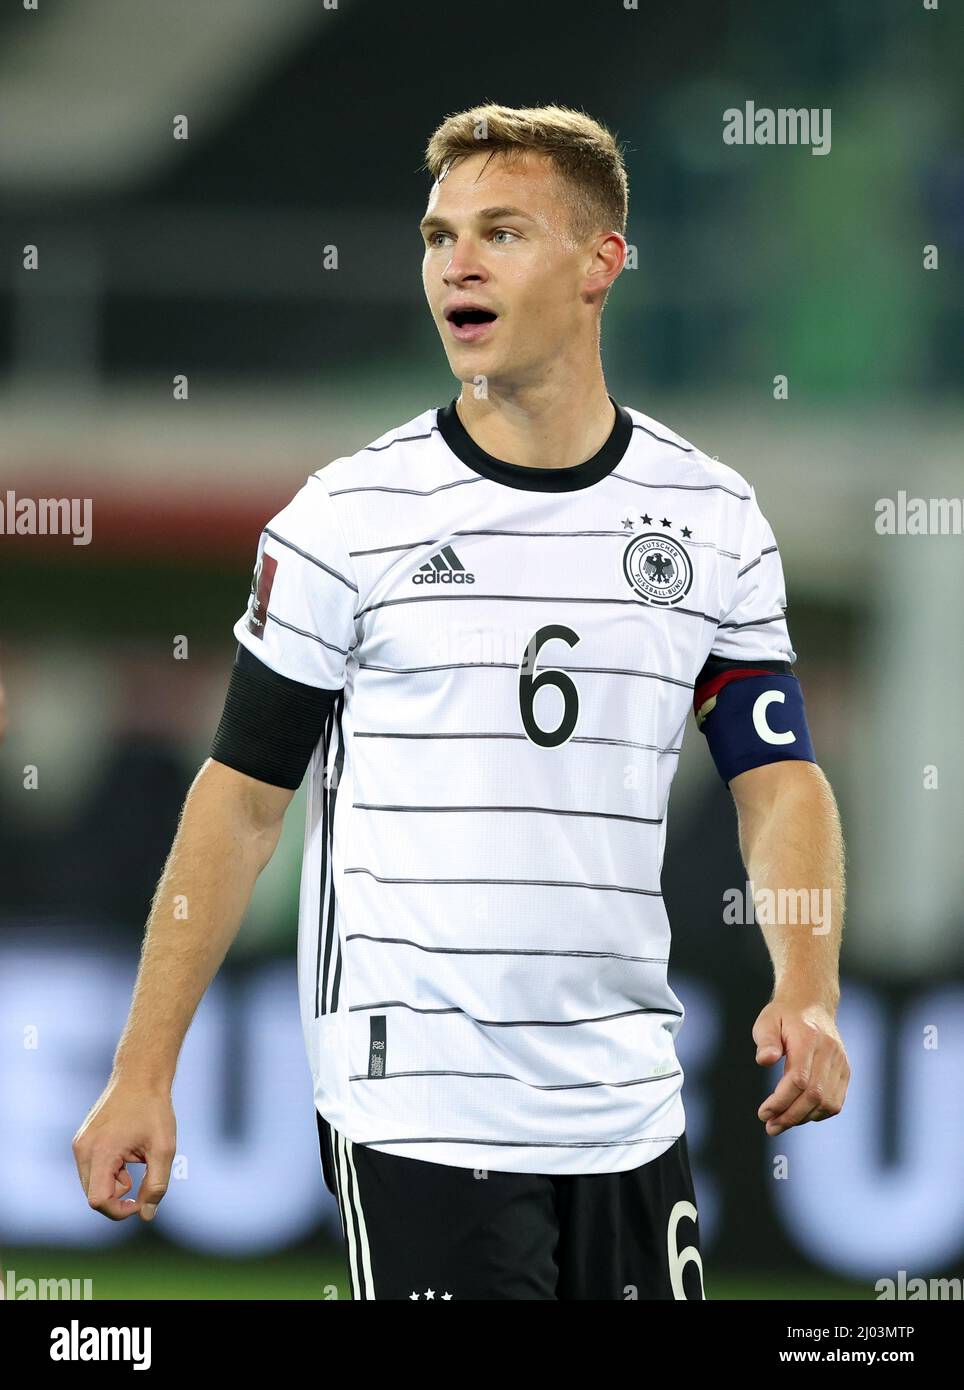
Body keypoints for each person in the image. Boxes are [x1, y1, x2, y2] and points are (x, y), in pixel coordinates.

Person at [73, 103, 850, 1301]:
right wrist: (142, 1065)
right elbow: (237, 804)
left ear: (601, 264)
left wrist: (806, 980)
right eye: (439, 238)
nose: (458, 266)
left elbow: (779, 777)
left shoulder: (713, 520)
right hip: (421, 1101)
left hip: (628, 1100)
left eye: (500, 232)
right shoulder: (348, 520)